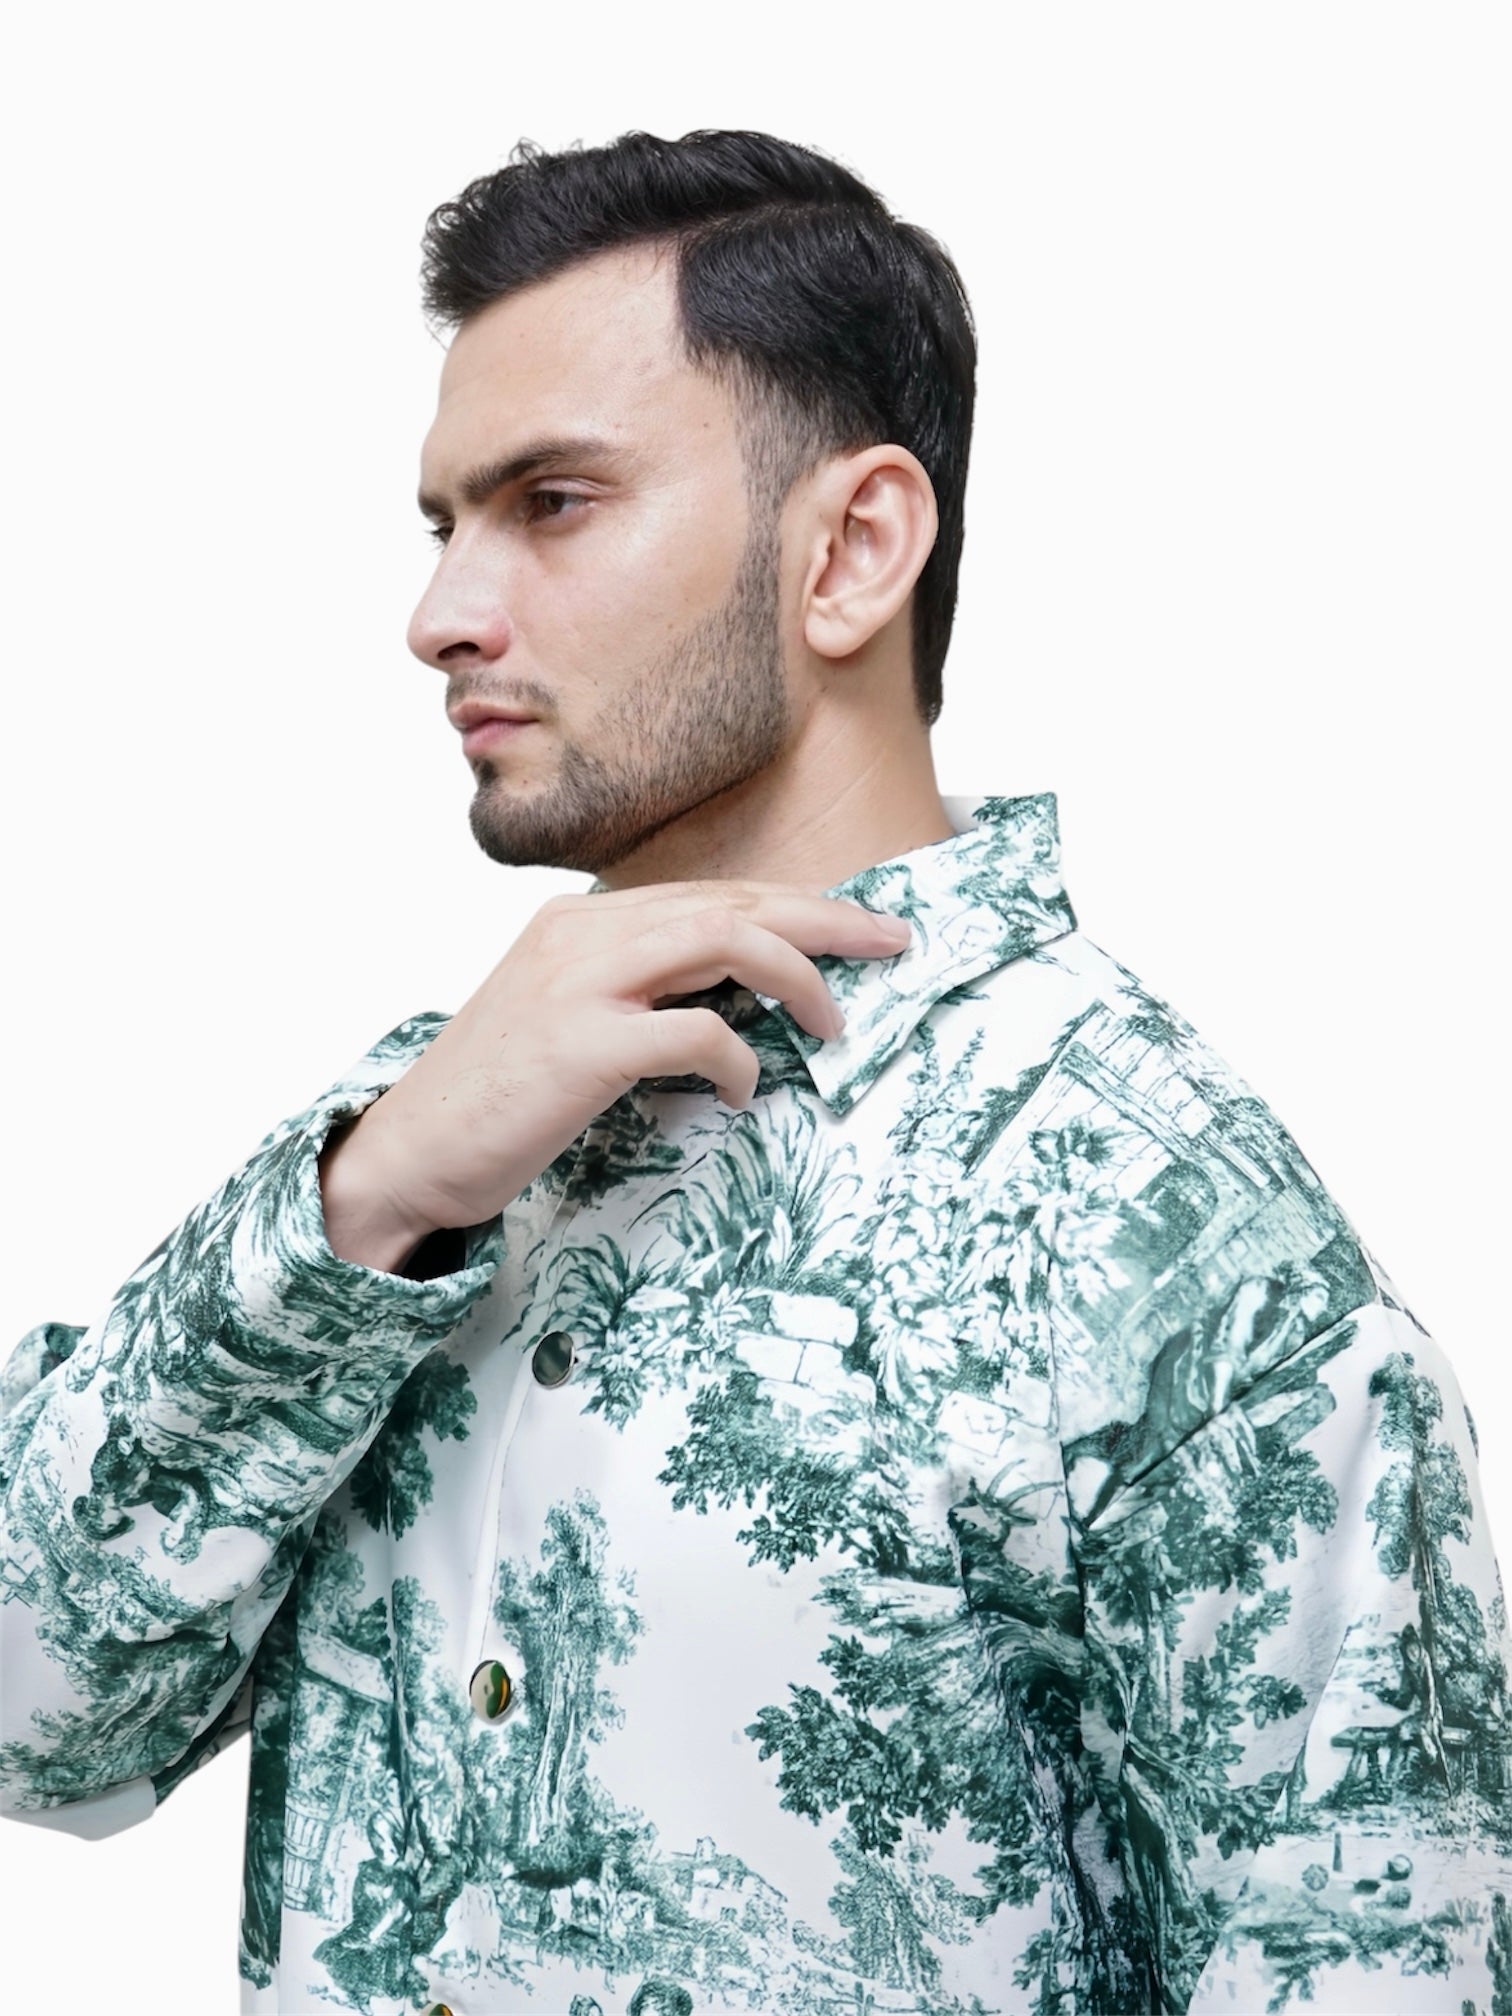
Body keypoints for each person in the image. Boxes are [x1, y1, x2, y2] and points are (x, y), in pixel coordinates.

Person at [1, 126, 1506, 2016]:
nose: (441, 616)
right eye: (441, 522)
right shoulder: (432, 1130)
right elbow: (32, 1715)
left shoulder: (1174, 1241)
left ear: (853, 550)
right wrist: (368, 1201)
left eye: (552, 502)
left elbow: (1383, 1969)